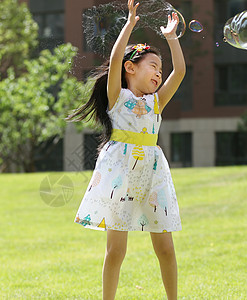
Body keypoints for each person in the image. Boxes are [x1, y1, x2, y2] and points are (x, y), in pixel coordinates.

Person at [67, 0, 185, 299]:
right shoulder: (117, 97)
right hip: (119, 172)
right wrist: (130, 23)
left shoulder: (156, 102)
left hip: (153, 173)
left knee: (166, 248)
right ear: (130, 68)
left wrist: (171, 38)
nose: (159, 73)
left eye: (160, 69)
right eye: (153, 66)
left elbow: (180, 72)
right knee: (116, 249)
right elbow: (117, 55)